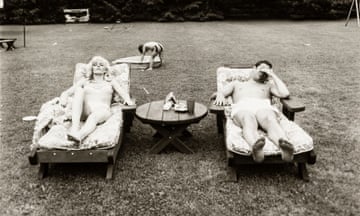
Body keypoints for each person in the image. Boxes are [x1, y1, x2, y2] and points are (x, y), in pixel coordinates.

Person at [211, 60, 294, 163]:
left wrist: (272, 75)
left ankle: (284, 147)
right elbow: (218, 93)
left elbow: (285, 93)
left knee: (270, 119)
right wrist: (220, 96)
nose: (264, 71)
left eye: (267, 70)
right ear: (254, 68)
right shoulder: (236, 84)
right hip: (243, 107)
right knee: (247, 119)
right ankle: (255, 147)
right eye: (262, 68)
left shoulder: (268, 85)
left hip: (263, 106)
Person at [60, 56, 135, 142]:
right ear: (92, 69)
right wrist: (63, 99)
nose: (98, 66)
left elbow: (124, 94)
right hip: (85, 110)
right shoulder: (85, 81)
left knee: (94, 117)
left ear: (105, 69)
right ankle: (74, 129)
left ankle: (79, 136)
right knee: (79, 90)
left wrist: (128, 101)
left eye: (101, 65)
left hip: (102, 110)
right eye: (95, 65)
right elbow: (66, 93)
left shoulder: (110, 81)